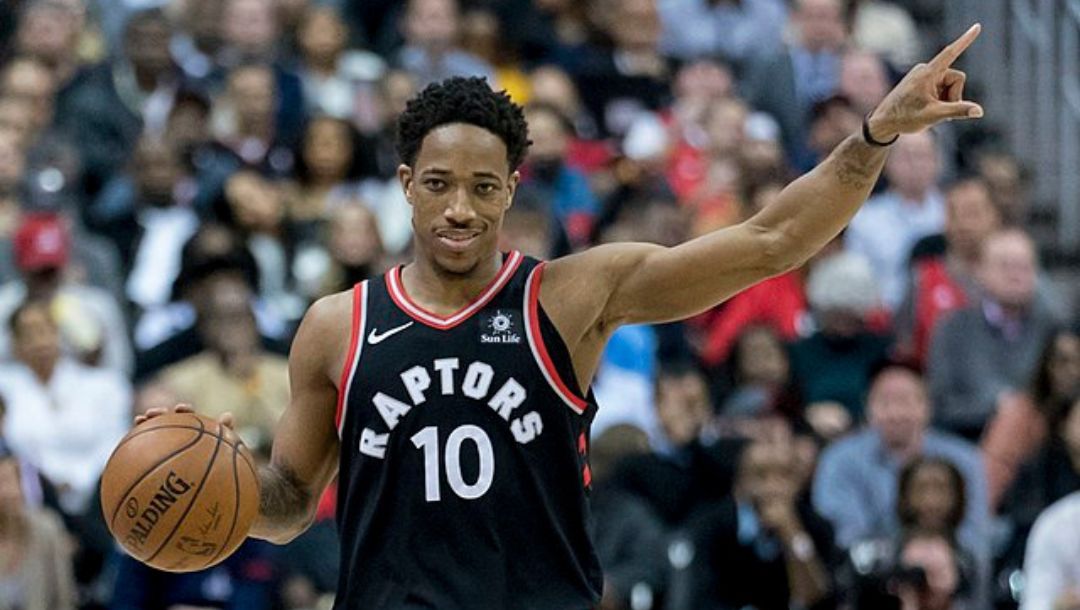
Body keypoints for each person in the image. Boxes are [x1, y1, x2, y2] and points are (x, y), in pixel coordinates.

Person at [138, 25, 986, 607]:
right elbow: (291, 503)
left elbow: (771, 239)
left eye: (482, 186)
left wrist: (874, 134)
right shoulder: (337, 324)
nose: (460, 209)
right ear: (405, 186)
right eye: (437, 185)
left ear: (514, 186)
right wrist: (222, 479)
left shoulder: (573, 295)